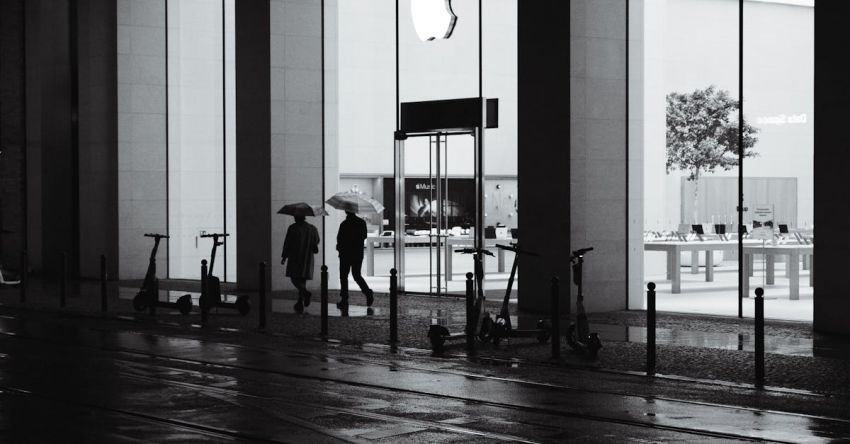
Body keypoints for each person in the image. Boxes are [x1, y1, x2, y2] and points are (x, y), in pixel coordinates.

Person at [281, 215, 320, 313]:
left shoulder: (293, 228)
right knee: (302, 279)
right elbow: (317, 241)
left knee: (294, 277)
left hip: (295, 256)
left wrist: (284, 256)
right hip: (307, 258)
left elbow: (287, 243)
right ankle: (299, 301)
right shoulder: (312, 228)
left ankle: (305, 293)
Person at [336, 210, 374, 308]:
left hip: (345, 253)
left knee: (343, 276)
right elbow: (364, 236)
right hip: (357, 253)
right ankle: (367, 292)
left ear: (346, 212)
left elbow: (339, 239)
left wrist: (341, 248)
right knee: (356, 275)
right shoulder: (361, 223)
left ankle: (344, 299)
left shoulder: (344, 224)